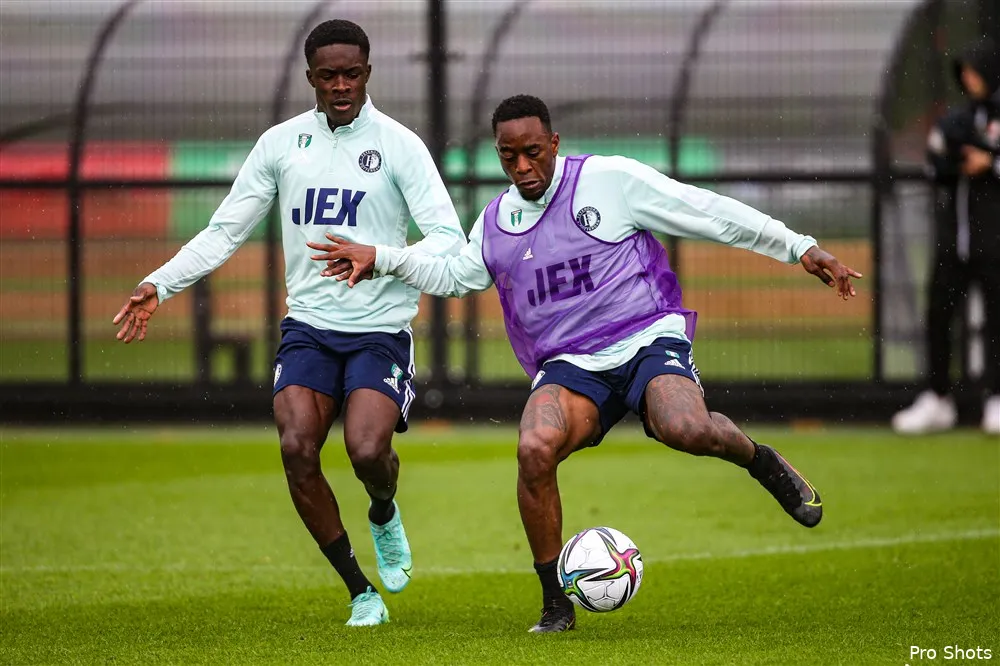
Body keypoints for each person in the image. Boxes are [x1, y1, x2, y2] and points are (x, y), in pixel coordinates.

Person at [308, 94, 863, 633]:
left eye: (533, 152)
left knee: (686, 427)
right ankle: (555, 603)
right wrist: (381, 258)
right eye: (508, 156)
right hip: (571, 365)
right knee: (533, 448)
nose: (522, 167)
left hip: (646, 337)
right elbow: (455, 275)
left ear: (554, 142)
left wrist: (798, 246)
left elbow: (706, 211)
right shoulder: (496, 221)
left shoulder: (608, 180)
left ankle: (762, 462)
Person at [112, 20, 466, 626]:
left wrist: (380, 258)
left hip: (379, 329)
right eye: (327, 75)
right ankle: (360, 591)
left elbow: (449, 243)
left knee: (366, 449)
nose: (340, 85)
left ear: (368, 73)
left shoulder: (401, 146)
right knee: (298, 447)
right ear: (311, 78)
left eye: (351, 73)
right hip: (307, 327)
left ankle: (384, 509)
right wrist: (158, 283)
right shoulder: (280, 145)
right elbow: (225, 230)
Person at [892, 38, 1000, 436]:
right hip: (953, 243)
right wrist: (956, 161)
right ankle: (937, 397)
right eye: (964, 72)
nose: (969, 79)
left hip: (994, 244)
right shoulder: (956, 119)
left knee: (996, 320)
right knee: (939, 316)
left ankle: (995, 398)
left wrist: (990, 161)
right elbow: (936, 160)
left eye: (974, 70)